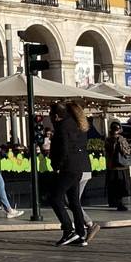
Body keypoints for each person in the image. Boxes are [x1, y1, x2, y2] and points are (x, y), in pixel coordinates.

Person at [49, 102, 91, 246]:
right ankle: (80, 234)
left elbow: (63, 149)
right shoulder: (76, 125)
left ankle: (68, 230)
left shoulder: (62, 127)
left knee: (54, 197)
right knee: (74, 201)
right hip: (78, 167)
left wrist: (57, 165)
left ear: (55, 116)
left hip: (67, 168)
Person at [103, 121, 131, 212]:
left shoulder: (108, 140)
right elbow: (126, 152)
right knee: (121, 185)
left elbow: (107, 151)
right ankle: (120, 203)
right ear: (119, 129)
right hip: (122, 166)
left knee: (113, 185)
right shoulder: (121, 139)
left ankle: (113, 202)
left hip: (111, 166)